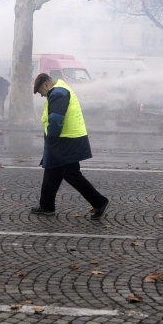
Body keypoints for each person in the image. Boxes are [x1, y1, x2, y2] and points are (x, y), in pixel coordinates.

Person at [31, 73, 110, 220]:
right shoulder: (60, 89)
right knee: (52, 170)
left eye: (41, 92)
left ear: (47, 85)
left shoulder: (58, 93)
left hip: (66, 140)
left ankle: (100, 202)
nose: (42, 96)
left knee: (71, 174)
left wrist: (52, 138)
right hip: (66, 139)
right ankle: (46, 205)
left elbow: (55, 119)